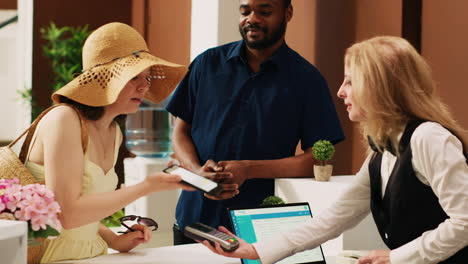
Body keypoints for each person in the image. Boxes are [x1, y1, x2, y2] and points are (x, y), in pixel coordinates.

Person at [201, 36, 468, 264]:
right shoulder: (381, 151)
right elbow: (333, 219)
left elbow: (465, 222)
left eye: (350, 81)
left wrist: (395, 257)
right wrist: (256, 250)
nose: (340, 92)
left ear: (379, 86)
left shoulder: (428, 138)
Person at [166, 0, 344, 245]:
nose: (252, 19)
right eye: (245, 11)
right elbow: (180, 130)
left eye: (265, 12)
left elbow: (317, 159)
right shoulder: (206, 64)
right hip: (194, 220)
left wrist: (249, 169)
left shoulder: (307, 79)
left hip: (261, 227)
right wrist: (197, 173)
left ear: (287, 13)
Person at [23, 22, 200, 263]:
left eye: (147, 77)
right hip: (50, 255)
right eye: (134, 76)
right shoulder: (64, 119)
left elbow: (86, 206)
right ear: (104, 80)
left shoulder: (114, 131)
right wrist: (146, 186)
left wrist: (113, 239)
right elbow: (67, 213)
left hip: (91, 254)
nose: (144, 86)